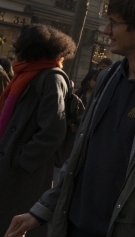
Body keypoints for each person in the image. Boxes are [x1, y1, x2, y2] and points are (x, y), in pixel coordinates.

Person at [5, 0, 135, 237]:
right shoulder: (108, 78)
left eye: (114, 23)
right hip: (72, 225)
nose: (106, 31)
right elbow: (78, 159)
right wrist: (41, 210)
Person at [0, 24, 76, 237]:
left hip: (24, 174)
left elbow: (52, 131)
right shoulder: (27, 74)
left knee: (14, 225)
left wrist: (20, 160)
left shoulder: (51, 77)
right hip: (11, 166)